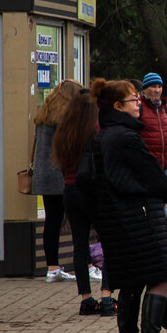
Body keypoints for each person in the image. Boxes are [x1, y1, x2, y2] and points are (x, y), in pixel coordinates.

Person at [90, 79, 167, 333]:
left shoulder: (103, 136)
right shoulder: (126, 137)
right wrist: (163, 190)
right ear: (117, 107)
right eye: (133, 100)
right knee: (164, 275)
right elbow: (155, 178)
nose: (138, 103)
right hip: (138, 217)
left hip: (116, 219)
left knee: (131, 281)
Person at [53, 88, 115, 315]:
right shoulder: (96, 130)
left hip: (70, 190)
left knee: (79, 246)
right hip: (93, 191)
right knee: (109, 241)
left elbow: (62, 166)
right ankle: (107, 296)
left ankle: (86, 299)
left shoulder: (64, 132)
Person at [33, 79, 83, 283]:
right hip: (62, 175)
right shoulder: (66, 118)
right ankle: (85, 264)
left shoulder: (44, 116)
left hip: (44, 175)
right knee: (78, 220)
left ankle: (52, 267)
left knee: (52, 221)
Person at [138, 72, 167, 171]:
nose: (157, 90)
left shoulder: (165, 107)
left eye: (159, 86)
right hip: (146, 167)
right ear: (145, 89)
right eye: (153, 86)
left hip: (165, 166)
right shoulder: (138, 107)